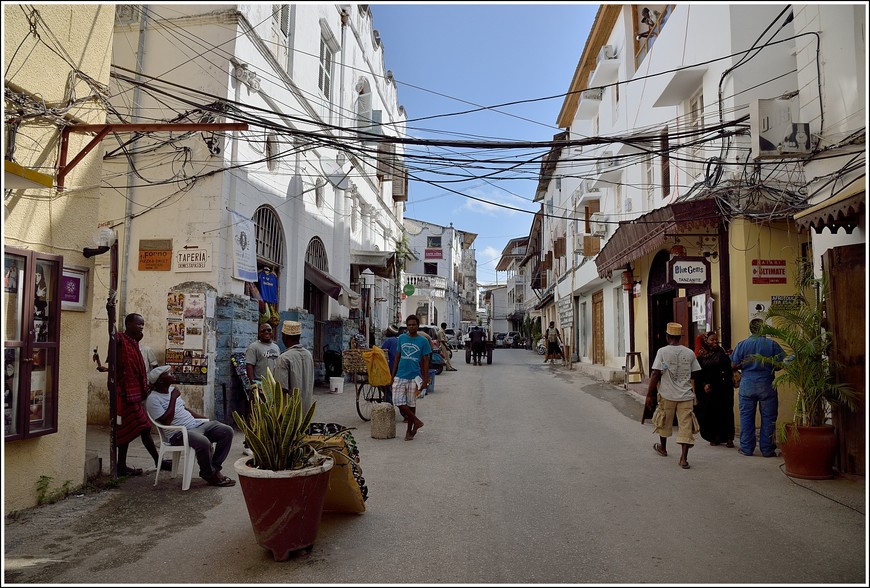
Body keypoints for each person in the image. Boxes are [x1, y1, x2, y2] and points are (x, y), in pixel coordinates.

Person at [145, 366, 236, 487]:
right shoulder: (153, 399)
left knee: (226, 431)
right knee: (203, 442)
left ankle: (214, 469)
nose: (172, 374)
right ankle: (209, 474)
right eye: (168, 373)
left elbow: (184, 409)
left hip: (195, 425)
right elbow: (166, 422)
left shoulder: (172, 390)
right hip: (177, 434)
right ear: (160, 380)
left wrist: (202, 418)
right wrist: (172, 399)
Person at [646, 322, 702, 469]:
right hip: (685, 395)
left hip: (667, 394)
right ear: (679, 337)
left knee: (664, 420)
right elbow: (696, 373)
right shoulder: (689, 352)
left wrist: (649, 395)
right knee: (686, 426)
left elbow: (655, 373)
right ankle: (683, 459)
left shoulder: (662, 352)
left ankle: (663, 448)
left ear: (667, 336)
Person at [730, 318, 786, 458]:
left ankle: (746, 448)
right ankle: (767, 450)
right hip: (767, 384)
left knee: (746, 417)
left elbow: (734, 364)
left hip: (747, 385)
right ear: (764, 329)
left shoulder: (742, 344)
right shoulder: (772, 344)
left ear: (751, 329)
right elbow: (781, 364)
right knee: (769, 417)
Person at [115, 313, 161, 477]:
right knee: (143, 427)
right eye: (138, 324)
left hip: (135, 393)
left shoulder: (135, 344)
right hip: (125, 392)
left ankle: (122, 465)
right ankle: (158, 460)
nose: (141, 327)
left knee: (128, 430)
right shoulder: (120, 341)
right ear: (128, 324)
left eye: (143, 324)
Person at [390, 314, 430, 440]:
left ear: (418, 326)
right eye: (409, 325)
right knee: (397, 401)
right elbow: (397, 357)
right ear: (406, 326)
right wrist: (393, 374)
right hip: (400, 375)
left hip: (414, 376)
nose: (412, 327)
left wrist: (425, 379)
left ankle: (410, 431)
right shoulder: (401, 338)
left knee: (411, 404)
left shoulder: (423, 341)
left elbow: (425, 361)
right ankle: (416, 421)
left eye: (414, 324)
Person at [695, 331, 736, 448]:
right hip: (709, 390)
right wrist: (703, 384)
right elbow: (698, 373)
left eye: (716, 339)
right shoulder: (701, 355)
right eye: (712, 340)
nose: (715, 342)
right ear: (706, 341)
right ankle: (715, 437)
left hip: (724, 388)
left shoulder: (721, 352)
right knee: (712, 413)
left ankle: (729, 437)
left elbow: (727, 368)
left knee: (726, 412)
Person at [274, 320, 314, 415]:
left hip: (290, 413)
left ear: (285, 337)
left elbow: (281, 388)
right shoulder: (308, 355)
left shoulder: (284, 358)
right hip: (306, 409)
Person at [245, 323, 280, 392]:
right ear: (259, 333)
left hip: (274, 386)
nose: (266, 332)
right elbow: (249, 366)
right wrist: (253, 384)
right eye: (263, 331)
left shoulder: (276, 347)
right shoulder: (253, 347)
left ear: (272, 332)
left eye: (269, 330)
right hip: (260, 387)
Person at [380, 325, 400, 404]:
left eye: (387, 330)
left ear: (390, 332)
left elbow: (381, 352)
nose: (386, 332)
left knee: (385, 384)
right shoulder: (398, 340)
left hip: (391, 366)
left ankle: (389, 401)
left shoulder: (388, 340)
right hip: (398, 366)